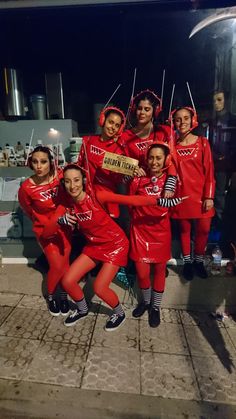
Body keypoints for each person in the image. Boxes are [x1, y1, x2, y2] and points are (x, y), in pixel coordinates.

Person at [41, 164, 183, 331]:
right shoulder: (65, 206)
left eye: (77, 180)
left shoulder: (96, 196)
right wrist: (59, 221)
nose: (73, 186)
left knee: (99, 287)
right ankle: (82, 309)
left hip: (115, 245)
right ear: (63, 183)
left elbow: (131, 200)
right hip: (94, 246)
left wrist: (159, 200)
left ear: (84, 180)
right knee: (67, 281)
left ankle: (119, 313)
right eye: (67, 181)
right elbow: (46, 234)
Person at [129, 143, 182, 327]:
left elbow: (175, 204)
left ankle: (155, 307)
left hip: (161, 232)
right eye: (151, 157)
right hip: (140, 232)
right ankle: (145, 301)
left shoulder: (170, 181)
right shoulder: (138, 179)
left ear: (165, 160)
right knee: (142, 272)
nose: (154, 162)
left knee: (159, 271)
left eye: (158, 158)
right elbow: (129, 203)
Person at [18, 146, 72, 316]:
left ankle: (63, 296)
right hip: (45, 232)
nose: (39, 166)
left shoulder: (61, 177)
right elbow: (27, 209)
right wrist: (43, 223)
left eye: (43, 161)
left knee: (65, 265)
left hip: (64, 228)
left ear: (51, 162)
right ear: (30, 163)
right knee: (56, 265)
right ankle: (51, 296)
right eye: (35, 162)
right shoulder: (26, 187)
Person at [170, 107, 215, 281]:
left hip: (202, 195)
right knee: (184, 230)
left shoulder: (203, 142)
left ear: (193, 119)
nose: (182, 122)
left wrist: (209, 195)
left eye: (186, 118)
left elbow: (209, 170)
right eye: (178, 119)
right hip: (181, 195)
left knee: (203, 229)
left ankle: (198, 260)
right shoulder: (173, 145)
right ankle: (187, 262)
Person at [121, 89, 177, 197]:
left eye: (147, 109)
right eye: (139, 108)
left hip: (162, 189)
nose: (142, 112)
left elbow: (172, 161)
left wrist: (170, 185)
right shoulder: (124, 137)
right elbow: (119, 168)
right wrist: (131, 170)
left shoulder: (164, 132)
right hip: (136, 190)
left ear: (154, 112)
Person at [77, 106, 126, 218]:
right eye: (111, 122)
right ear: (103, 121)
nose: (113, 127)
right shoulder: (87, 141)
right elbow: (79, 167)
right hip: (86, 196)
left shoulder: (118, 150)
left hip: (107, 199)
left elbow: (119, 179)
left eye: (117, 125)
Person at [209, 90, 236, 228]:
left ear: (226, 101)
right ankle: (216, 221)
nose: (216, 103)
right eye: (214, 100)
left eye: (219, 99)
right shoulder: (211, 122)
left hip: (227, 164)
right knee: (214, 193)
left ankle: (221, 223)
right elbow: (208, 141)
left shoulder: (233, 120)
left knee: (221, 194)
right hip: (213, 162)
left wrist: (229, 157)